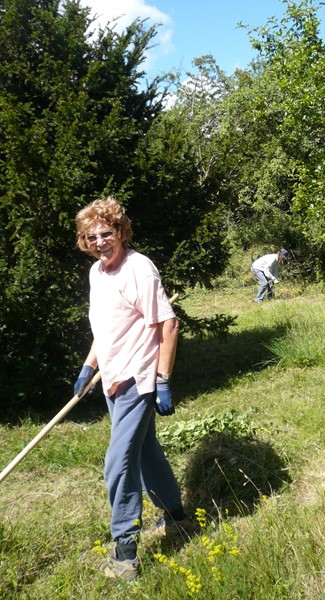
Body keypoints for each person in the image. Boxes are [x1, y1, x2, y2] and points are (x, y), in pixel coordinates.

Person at [73, 196, 193, 581]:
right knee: (146, 454)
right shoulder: (97, 273)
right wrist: (89, 365)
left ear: (121, 231)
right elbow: (107, 330)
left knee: (119, 463)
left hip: (138, 380)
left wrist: (161, 381)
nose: (99, 242)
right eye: (91, 237)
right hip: (112, 378)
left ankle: (125, 553)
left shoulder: (139, 269)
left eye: (106, 233)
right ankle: (176, 517)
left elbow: (168, 325)